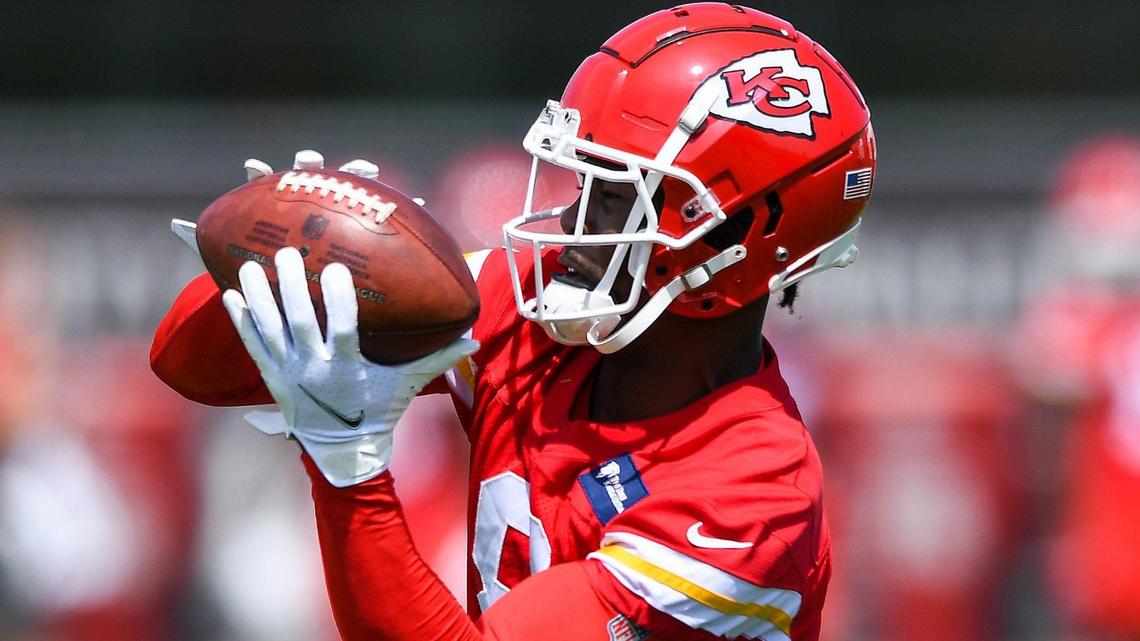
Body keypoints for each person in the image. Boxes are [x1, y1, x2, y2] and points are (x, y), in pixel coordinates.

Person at [151, 4, 876, 641]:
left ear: (732, 236)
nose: (574, 224)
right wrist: (293, 256)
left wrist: (348, 467)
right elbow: (191, 365)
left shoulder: (752, 497)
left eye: (616, 197)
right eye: (586, 180)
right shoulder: (535, 308)